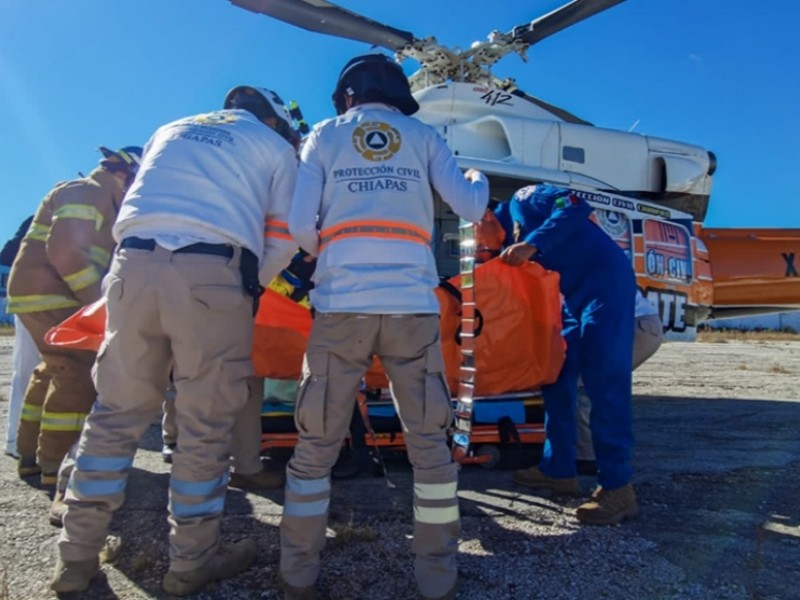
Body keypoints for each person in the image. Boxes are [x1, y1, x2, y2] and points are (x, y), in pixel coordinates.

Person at [51, 86, 300, 596]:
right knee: (205, 425)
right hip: (211, 271)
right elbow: (285, 234)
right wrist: (246, 289)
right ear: (274, 122)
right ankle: (190, 562)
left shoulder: (171, 128)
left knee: (114, 415)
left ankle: (75, 561)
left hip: (130, 268)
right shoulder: (274, 148)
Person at [280, 52, 489, 600]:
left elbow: (301, 225)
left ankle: (297, 573)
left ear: (347, 95)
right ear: (399, 95)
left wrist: (334, 253)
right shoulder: (423, 137)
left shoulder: (324, 136)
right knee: (429, 445)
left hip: (340, 307)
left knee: (316, 444)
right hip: (410, 308)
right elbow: (469, 207)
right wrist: (478, 177)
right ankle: (437, 578)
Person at [499, 183, 639, 526]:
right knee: (556, 379)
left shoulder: (525, 198)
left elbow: (575, 205)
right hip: (570, 302)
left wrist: (535, 243)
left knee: (604, 379)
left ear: (486, 212)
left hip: (604, 286)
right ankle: (558, 469)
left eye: (475, 226)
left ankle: (617, 488)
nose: (477, 237)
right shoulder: (501, 242)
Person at [6, 149, 142, 483]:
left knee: (51, 368)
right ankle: (55, 465)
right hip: (51, 293)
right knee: (76, 372)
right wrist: (99, 303)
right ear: (125, 174)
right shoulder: (86, 192)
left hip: (43, 293)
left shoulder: (99, 198)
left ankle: (30, 456)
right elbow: (67, 252)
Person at [575, 290, 664, 474]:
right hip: (638, 324)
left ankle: (588, 458)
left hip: (633, 326)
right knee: (595, 385)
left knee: (583, 385)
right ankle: (596, 452)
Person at [1, 216, 38, 458]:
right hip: (38, 297)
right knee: (29, 370)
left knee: (26, 371)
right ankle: (17, 441)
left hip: (29, 296)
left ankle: (18, 440)